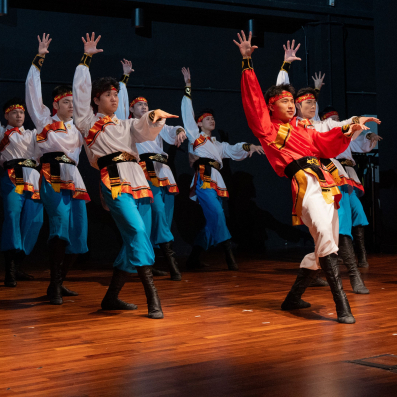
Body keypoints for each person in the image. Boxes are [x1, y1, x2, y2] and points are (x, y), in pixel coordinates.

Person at [235, 31, 377, 324]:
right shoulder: (268, 129)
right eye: (284, 101)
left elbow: (326, 144)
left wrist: (350, 128)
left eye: (292, 101)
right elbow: (253, 102)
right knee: (325, 236)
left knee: (326, 243)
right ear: (271, 106)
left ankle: (293, 298)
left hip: (327, 185)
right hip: (305, 185)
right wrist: (247, 63)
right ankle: (342, 305)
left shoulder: (305, 129)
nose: (290, 105)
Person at [73, 33, 179, 319]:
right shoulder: (87, 121)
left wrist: (154, 116)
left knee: (135, 237)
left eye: (115, 94)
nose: (113, 97)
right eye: (108, 94)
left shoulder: (126, 124)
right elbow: (80, 94)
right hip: (115, 180)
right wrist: (85, 60)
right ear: (96, 99)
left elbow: (144, 129)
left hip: (139, 179)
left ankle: (111, 297)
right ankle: (152, 298)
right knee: (137, 232)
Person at [26, 34, 90, 305]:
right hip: (52, 174)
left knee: (79, 234)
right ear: (55, 104)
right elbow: (32, 91)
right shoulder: (44, 120)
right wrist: (39, 58)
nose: (71, 106)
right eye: (66, 102)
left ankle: (60, 282)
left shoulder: (79, 127)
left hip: (74, 177)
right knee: (60, 226)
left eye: (73, 102)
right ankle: (53, 285)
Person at [181, 66, 264, 271]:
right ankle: (229, 255)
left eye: (213, 118)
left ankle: (193, 258)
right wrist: (188, 86)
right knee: (217, 214)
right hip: (204, 178)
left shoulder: (218, 144)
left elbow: (233, 149)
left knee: (212, 221)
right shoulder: (195, 138)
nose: (212, 120)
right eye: (208, 118)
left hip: (216, 181)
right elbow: (187, 114)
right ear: (199, 123)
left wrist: (251, 146)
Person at [117, 59, 188, 281]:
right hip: (144, 171)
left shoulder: (156, 124)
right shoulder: (128, 125)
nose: (144, 106)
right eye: (139, 105)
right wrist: (125, 78)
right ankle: (171, 264)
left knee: (164, 217)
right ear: (131, 110)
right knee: (155, 212)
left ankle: (152, 261)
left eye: (146, 104)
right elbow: (120, 104)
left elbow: (172, 128)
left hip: (164, 172)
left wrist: (180, 130)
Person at [0, 66, 43, 287]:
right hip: (12, 177)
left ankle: (18, 263)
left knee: (35, 220)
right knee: (13, 217)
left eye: (22, 112)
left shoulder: (33, 134)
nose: (19, 115)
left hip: (33, 179)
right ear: (6, 115)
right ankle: (10, 269)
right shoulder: (1, 133)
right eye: (14, 112)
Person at [320, 106, 380, 269]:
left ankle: (361, 254)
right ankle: (342, 254)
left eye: (338, 119)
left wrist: (368, 135)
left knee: (358, 213)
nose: (337, 121)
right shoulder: (325, 136)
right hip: (335, 175)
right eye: (333, 119)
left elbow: (358, 142)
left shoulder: (345, 136)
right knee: (342, 215)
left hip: (350, 176)